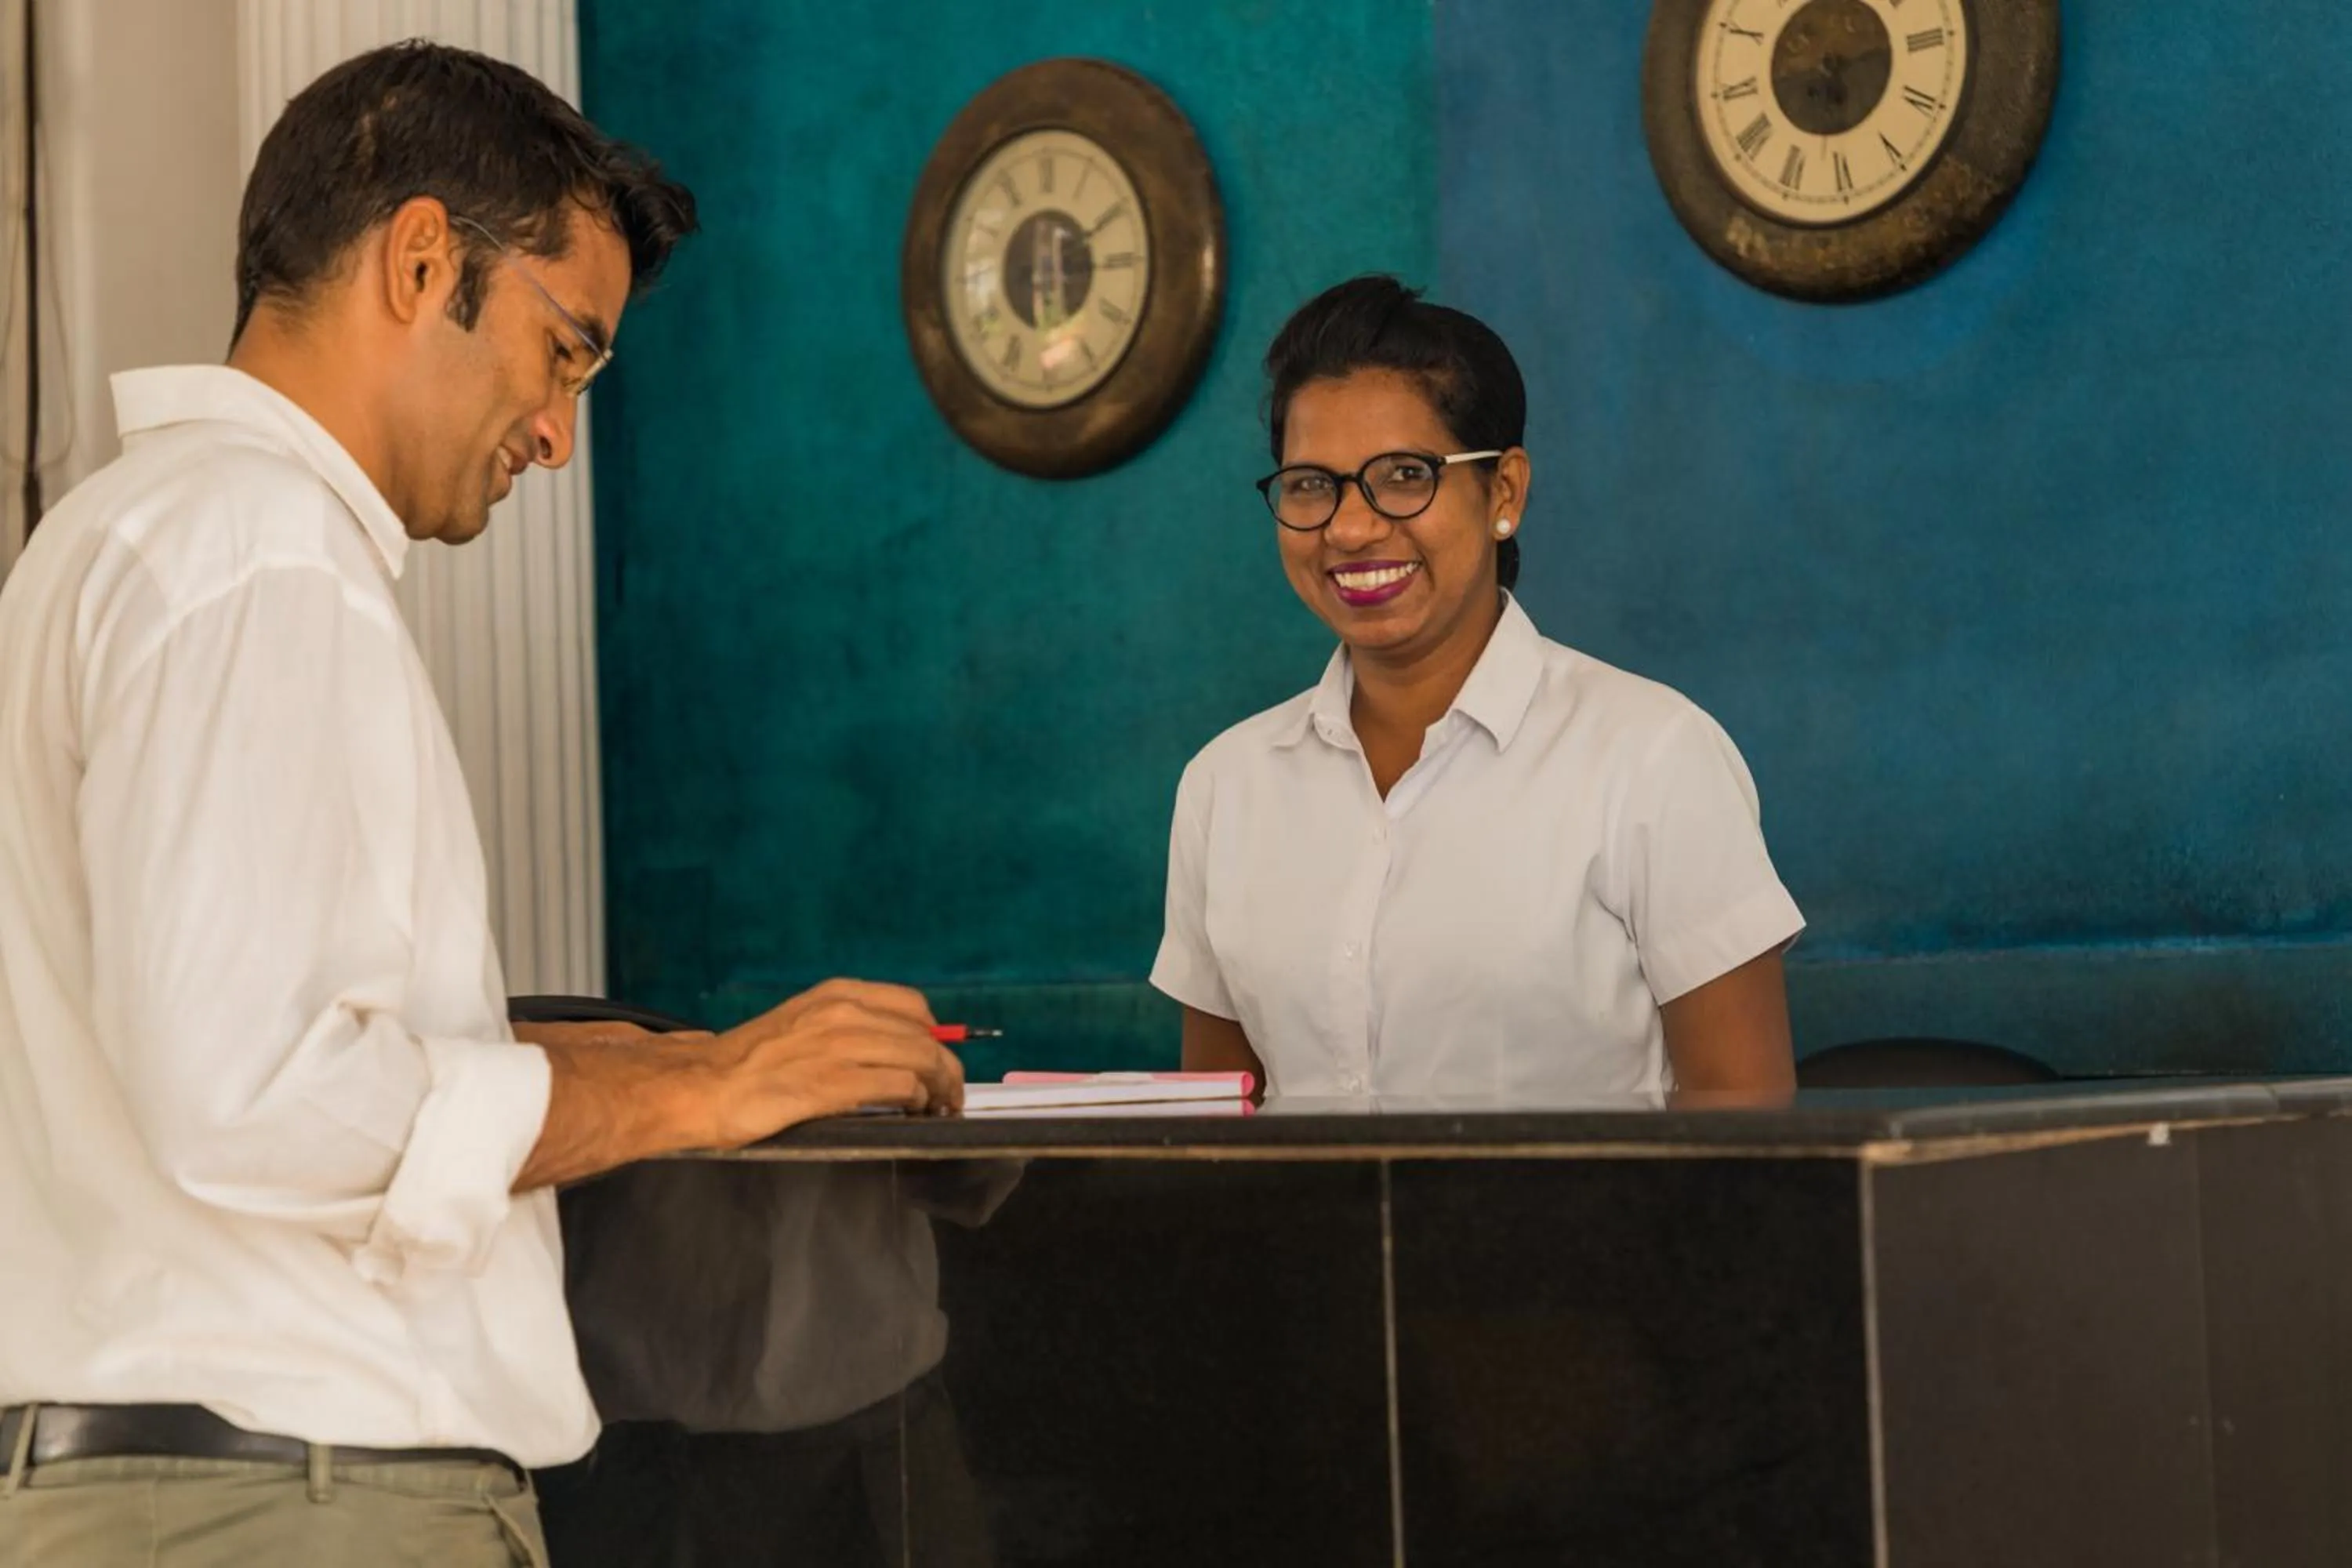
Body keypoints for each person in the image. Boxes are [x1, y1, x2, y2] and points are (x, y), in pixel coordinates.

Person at [0, 41, 960, 1566]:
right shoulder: (262, 555)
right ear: (423, 258)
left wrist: (708, 1052)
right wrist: (695, 1093)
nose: (560, 430)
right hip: (287, 1504)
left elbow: (250, 1051)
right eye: (562, 348)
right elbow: (256, 1090)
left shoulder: (124, 543)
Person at [1151, 276, 1802, 1101]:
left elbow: (1742, 1116)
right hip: (1303, 1237)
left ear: (1503, 492)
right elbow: (1216, 1132)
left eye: (1404, 474)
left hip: (1583, 1235)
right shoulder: (1227, 785)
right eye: (1311, 484)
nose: (1349, 528)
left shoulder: (1651, 757)